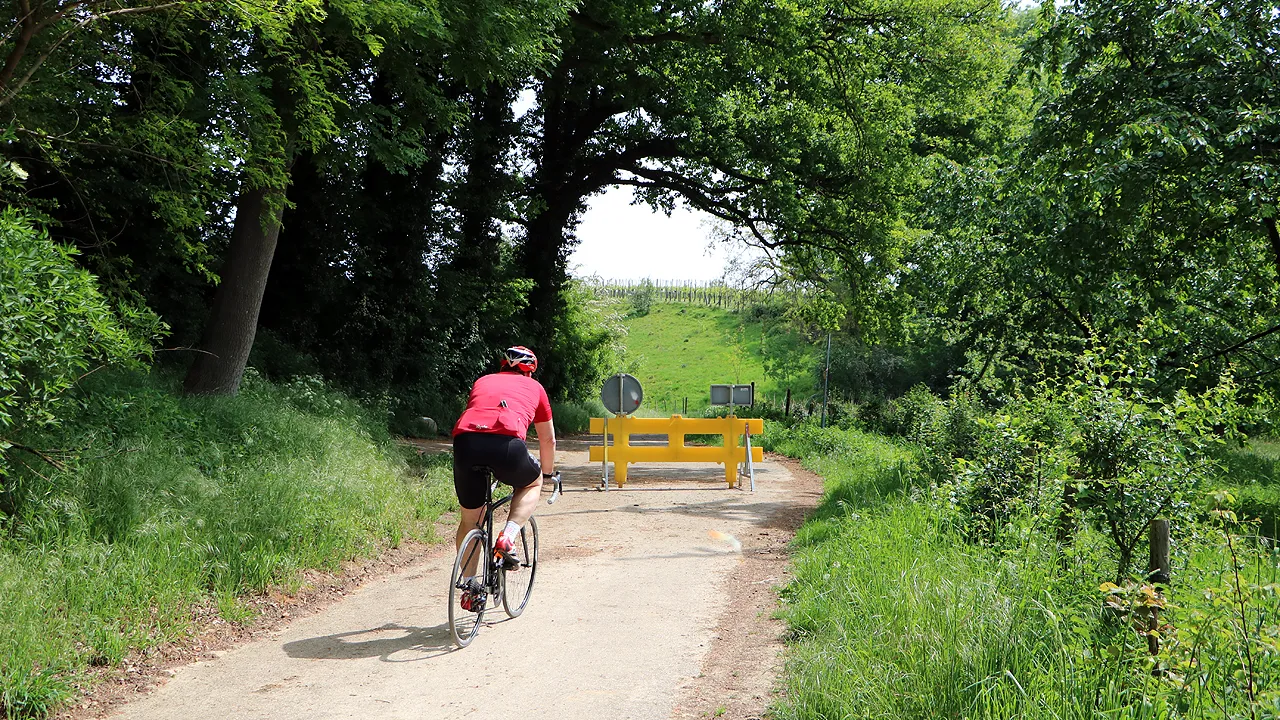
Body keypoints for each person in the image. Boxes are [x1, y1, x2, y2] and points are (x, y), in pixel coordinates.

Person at [451, 345, 556, 609]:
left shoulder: (483, 381)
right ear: (530, 370)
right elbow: (548, 439)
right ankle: (508, 536)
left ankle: (470, 586)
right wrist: (547, 473)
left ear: (502, 365)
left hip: (466, 445)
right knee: (532, 481)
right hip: (506, 445)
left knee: (470, 520)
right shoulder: (536, 389)